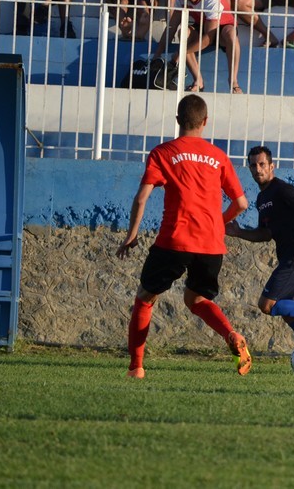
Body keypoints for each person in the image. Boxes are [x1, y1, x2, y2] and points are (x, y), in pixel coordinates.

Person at [116, 93, 251, 379]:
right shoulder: (218, 156)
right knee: (197, 300)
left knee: (145, 297)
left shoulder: (163, 153)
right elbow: (241, 203)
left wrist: (131, 235)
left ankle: (136, 367)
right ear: (205, 121)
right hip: (211, 245)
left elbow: (141, 198)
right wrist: (218, 223)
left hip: (174, 241)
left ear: (178, 120)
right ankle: (231, 334)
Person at [226, 145, 294, 348]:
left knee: (267, 305)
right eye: (253, 165)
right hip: (287, 256)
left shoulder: (281, 189)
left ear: (272, 166)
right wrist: (239, 232)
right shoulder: (262, 198)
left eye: (262, 164)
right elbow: (265, 234)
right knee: (289, 313)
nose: (257, 169)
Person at [153, 0, 243, 94]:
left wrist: (181, 53)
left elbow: (208, 39)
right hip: (203, 25)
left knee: (231, 33)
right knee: (183, 32)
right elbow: (172, 27)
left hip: (222, 28)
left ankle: (234, 82)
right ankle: (198, 81)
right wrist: (157, 55)